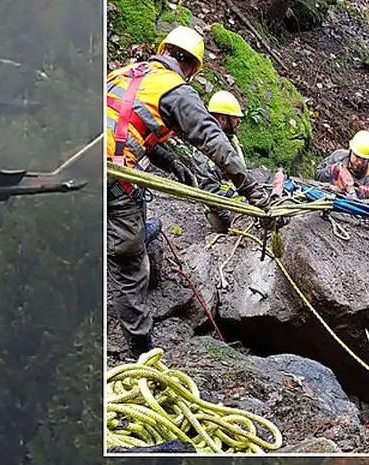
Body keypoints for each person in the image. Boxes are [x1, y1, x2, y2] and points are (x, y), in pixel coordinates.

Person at [106, 26, 267, 354]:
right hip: (113, 177)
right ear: (192, 67)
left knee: (133, 205)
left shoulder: (124, 73)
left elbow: (126, 122)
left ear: (163, 50)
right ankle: (143, 354)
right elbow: (214, 143)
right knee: (130, 267)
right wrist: (253, 191)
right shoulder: (176, 90)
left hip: (79, 161)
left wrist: (172, 163)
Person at [181, 90, 247, 233]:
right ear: (222, 119)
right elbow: (211, 195)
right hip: (222, 212)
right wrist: (230, 219)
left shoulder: (230, 139)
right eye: (235, 118)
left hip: (239, 201)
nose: (238, 122)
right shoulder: (204, 153)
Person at [314, 130, 369, 199]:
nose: (359, 162)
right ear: (351, 150)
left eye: (364, 159)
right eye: (357, 156)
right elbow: (317, 175)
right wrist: (332, 170)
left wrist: (366, 194)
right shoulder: (338, 156)